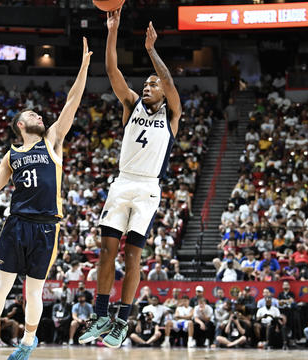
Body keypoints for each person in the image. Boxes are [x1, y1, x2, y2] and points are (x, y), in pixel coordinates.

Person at [0, 37, 92, 360]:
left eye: (40, 115)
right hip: (16, 223)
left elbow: (72, 101)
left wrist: (84, 67)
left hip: (46, 227)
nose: (40, 117)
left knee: (33, 291)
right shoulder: (11, 155)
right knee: (2, 285)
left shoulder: (54, 141)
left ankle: (28, 344)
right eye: (33, 115)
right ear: (20, 124)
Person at [80, 8, 181, 350]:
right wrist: (113, 30)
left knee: (132, 256)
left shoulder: (173, 114)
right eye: (146, 83)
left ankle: (122, 320)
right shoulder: (131, 104)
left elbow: (168, 82)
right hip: (122, 183)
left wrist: (152, 51)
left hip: (148, 188)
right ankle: (100, 315)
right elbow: (112, 70)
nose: (148, 86)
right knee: (106, 252)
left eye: (153, 84)